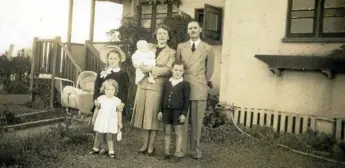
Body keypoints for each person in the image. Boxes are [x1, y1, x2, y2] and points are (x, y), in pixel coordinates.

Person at [131, 24, 176, 156]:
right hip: (143, 83)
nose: (161, 36)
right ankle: (144, 144)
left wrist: (151, 69)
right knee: (144, 115)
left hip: (157, 86)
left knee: (153, 117)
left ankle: (151, 146)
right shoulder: (148, 47)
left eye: (164, 33)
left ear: (168, 37)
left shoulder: (171, 52)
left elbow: (168, 70)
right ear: (155, 36)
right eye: (159, 33)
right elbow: (137, 57)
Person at [176, 20, 215, 159]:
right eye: (189, 28)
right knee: (183, 120)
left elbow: (209, 71)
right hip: (184, 86)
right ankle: (181, 148)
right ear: (187, 31)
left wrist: (200, 81)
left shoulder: (208, 48)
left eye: (195, 28)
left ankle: (195, 149)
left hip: (199, 86)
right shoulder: (181, 47)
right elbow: (178, 66)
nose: (192, 30)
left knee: (197, 121)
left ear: (200, 29)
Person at [92, 45, 129, 154]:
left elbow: (125, 90)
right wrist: (96, 99)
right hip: (103, 103)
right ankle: (102, 146)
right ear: (107, 60)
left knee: (112, 124)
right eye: (110, 58)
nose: (112, 60)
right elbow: (97, 87)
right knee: (102, 122)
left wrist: (122, 103)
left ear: (119, 60)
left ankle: (110, 146)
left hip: (114, 104)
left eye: (115, 58)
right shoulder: (102, 73)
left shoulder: (122, 74)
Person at [158, 60, 190, 162]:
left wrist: (183, 114)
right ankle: (166, 153)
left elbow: (186, 100)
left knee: (177, 133)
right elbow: (162, 97)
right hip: (167, 111)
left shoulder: (185, 84)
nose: (177, 72)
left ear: (183, 72)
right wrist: (160, 111)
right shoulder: (167, 82)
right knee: (167, 132)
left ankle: (177, 154)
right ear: (172, 70)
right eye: (176, 70)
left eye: (180, 70)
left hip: (178, 112)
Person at [89, 79, 124, 159]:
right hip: (101, 120)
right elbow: (97, 109)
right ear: (103, 89)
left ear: (115, 90)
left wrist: (120, 122)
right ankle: (95, 149)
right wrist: (94, 119)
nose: (110, 91)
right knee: (98, 135)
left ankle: (111, 151)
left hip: (111, 121)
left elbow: (119, 112)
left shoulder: (117, 101)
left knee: (109, 136)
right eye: (107, 89)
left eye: (112, 89)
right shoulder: (100, 99)